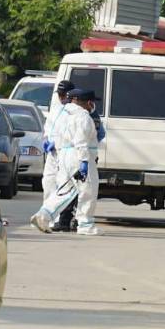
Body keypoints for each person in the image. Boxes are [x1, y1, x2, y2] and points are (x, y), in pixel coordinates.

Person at [55, 90, 106, 232]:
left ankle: (48, 217)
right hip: (80, 156)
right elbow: (82, 141)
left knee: (65, 191)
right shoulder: (83, 116)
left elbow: (56, 135)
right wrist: (84, 161)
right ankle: (84, 224)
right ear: (88, 102)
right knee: (87, 191)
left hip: (64, 156)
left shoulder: (63, 114)